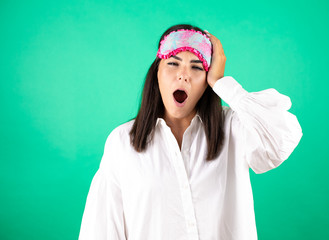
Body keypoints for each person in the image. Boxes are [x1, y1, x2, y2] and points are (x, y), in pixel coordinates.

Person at [79, 24, 303, 240]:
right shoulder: (121, 143)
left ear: (207, 82)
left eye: (197, 67)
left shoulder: (234, 127)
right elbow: (101, 230)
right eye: (173, 64)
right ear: (157, 74)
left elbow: (282, 139)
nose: (183, 75)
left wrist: (223, 84)